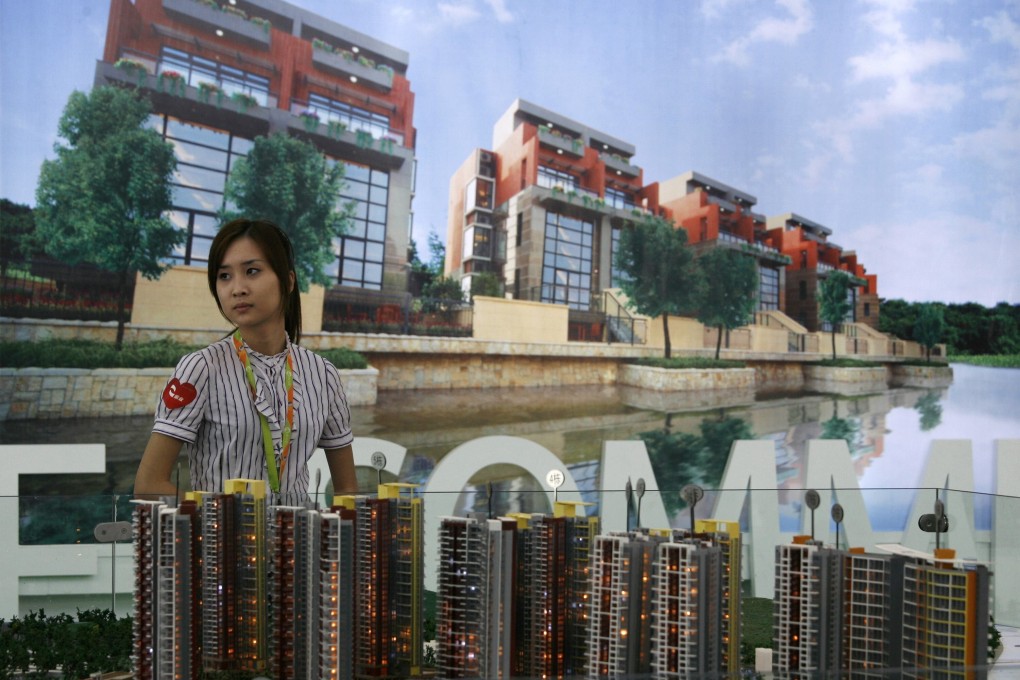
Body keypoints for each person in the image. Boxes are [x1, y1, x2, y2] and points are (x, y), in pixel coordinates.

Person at [134, 218, 357, 503]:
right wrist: (223, 520)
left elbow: (348, 490)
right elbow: (149, 484)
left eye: (252, 271)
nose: (237, 288)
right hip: (224, 542)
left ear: (288, 281)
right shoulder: (201, 368)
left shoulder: (322, 373)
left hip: (298, 541)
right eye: (224, 276)